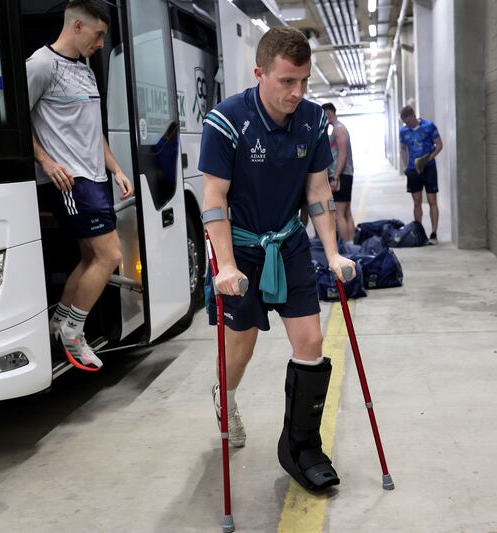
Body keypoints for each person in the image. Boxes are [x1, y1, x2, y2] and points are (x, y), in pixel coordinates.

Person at [199, 26, 354, 492]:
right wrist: (225, 265)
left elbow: (318, 190)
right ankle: (224, 394)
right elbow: (214, 197)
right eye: (287, 81)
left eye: (304, 81)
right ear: (259, 72)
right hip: (241, 247)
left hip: (287, 243)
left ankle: (300, 446)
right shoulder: (226, 121)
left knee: (310, 341)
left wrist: (332, 252)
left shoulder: (311, 121)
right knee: (240, 347)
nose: (298, 92)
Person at [27, 0, 132, 371]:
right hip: (70, 181)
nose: (101, 43)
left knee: (90, 257)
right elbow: (14, 123)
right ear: (75, 27)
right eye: (98, 34)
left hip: (96, 177)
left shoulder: (85, 70)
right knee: (110, 256)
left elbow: (92, 130)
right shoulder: (41, 65)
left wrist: (117, 169)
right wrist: (46, 161)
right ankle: (73, 332)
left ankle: (59, 323)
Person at [398, 105, 442, 244]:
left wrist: (427, 159)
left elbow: (439, 145)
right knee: (417, 202)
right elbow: (403, 149)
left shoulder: (429, 126)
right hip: (413, 170)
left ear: (413, 116)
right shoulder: (403, 132)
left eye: (409, 121)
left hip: (428, 168)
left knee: (431, 200)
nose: (408, 125)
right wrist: (406, 166)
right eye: (405, 123)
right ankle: (419, 233)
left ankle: (434, 234)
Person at [321, 103, 355, 242]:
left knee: (339, 214)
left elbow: (342, 155)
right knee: (346, 212)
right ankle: (351, 243)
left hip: (341, 175)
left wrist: (335, 177)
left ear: (328, 114)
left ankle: (347, 246)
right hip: (344, 175)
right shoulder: (337, 129)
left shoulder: (339, 130)